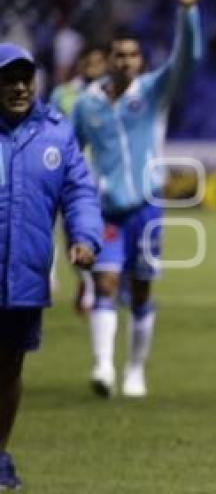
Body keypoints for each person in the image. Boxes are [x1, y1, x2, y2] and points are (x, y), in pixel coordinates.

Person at [70, 0, 204, 399]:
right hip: (106, 208)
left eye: (132, 55)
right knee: (105, 284)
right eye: (118, 55)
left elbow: (188, 61)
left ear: (141, 61)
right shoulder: (87, 105)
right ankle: (103, 368)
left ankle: (134, 370)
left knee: (142, 289)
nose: (126, 61)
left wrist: (187, 12)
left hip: (147, 206)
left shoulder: (151, 92)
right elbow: (73, 156)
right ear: (107, 59)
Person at [0, 43, 102, 490]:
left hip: (24, 274)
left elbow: (79, 192)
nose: (20, 87)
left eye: (26, 78)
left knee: (10, 370)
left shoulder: (57, 135)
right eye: (9, 78)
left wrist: (85, 237)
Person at [49, 44, 108, 310]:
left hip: (104, 175)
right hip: (69, 172)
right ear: (80, 63)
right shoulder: (63, 94)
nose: (93, 67)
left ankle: (99, 283)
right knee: (69, 232)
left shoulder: (111, 94)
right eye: (88, 61)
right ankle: (84, 279)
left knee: (100, 232)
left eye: (98, 61)